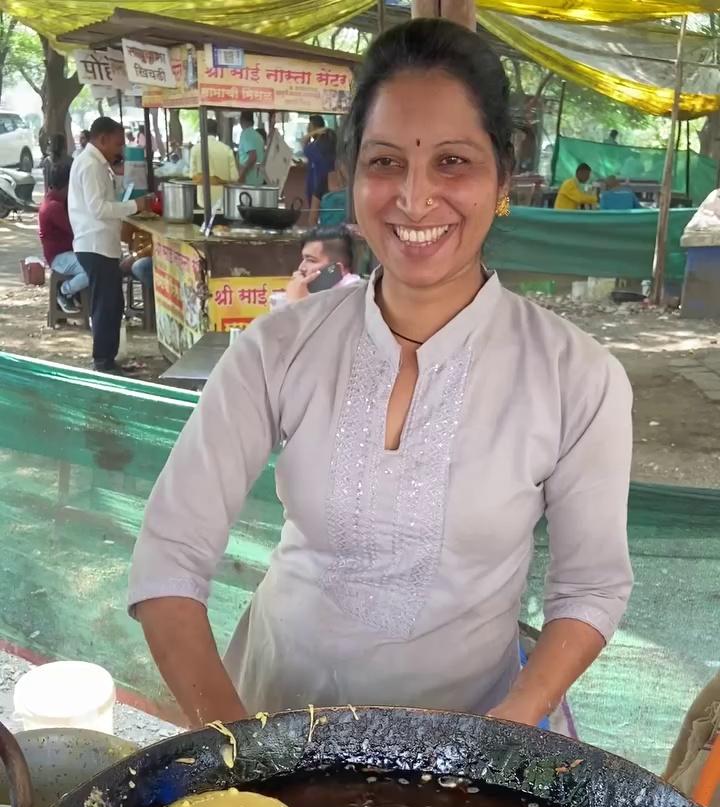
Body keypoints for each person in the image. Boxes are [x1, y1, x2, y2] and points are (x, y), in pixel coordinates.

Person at [129, 19, 633, 731]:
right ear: (353, 175)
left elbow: (590, 589)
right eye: (386, 162)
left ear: (503, 178)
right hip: (272, 714)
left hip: (466, 746)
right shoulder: (276, 348)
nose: (415, 198)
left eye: (453, 162)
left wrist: (512, 725)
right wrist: (236, 746)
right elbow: (168, 557)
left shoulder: (578, 377)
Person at [68, 116, 151, 373]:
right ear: (102, 139)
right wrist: (134, 206)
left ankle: (107, 358)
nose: (120, 149)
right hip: (95, 244)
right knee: (106, 305)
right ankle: (103, 361)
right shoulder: (91, 165)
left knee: (111, 304)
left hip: (100, 244)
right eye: (117, 144)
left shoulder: (96, 163)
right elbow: (98, 208)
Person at [38, 159, 89, 313]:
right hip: (58, 257)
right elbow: (75, 230)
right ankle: (65, 291)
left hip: (66, 252)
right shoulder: (53, 207)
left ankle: (77, 296)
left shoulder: (56, 201)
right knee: (91, 269)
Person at [284, 227, 361, 302]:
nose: (301, 268)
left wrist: (295, 302)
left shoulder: (352, 299)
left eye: (311, 260)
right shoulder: (322, 293)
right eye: (303, 259)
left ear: (335, 268)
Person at [190, 117, 238, 211]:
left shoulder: (195, 150)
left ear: (201, 131)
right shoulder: (226, 149)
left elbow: (193, 175)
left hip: (203, 202)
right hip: (223, 202)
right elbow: (234, 177)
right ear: (217, 132)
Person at [303, 114, 337, 223]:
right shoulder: (328, 142)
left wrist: (310, 134)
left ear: (315, 128)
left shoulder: (318, 145)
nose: (308, 128)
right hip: (326, 184)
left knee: (314, 217)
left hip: (318, 185)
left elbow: (304, 143)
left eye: (309, 126)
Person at [237, 110, 265, 186]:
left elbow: (253, 156)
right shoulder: (258, 136)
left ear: (242, 120)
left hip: (248, 180)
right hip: (258, 179)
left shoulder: (246, 134)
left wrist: (242, 175)